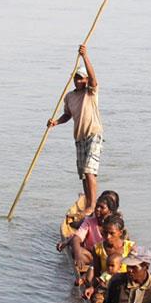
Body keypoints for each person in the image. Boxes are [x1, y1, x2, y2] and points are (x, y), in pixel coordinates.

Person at [47, 44, 103, 216]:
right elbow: (67, 115)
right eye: (76, 78)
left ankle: (92, 206)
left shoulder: (90, 92)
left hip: (93, 134)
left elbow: (94, 79)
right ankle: (88, 202)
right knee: (83, 175)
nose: (78, 81)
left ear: (85, 80)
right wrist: (55, 122)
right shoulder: (70, 96)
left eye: (81, 78)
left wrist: (85, 56)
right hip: (79, 138)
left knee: (89, 170)